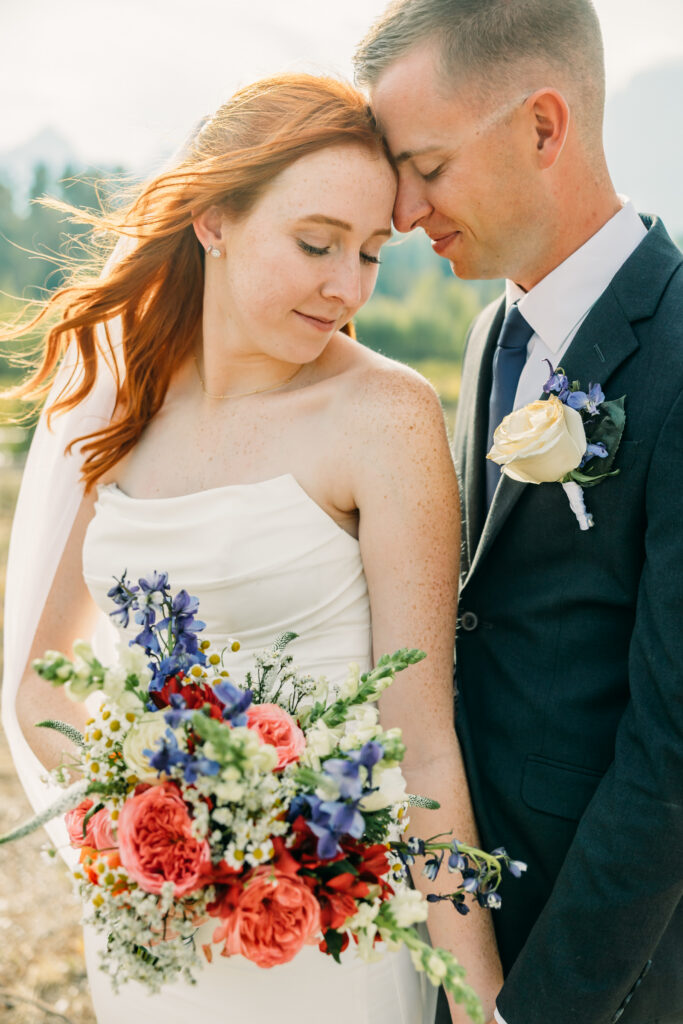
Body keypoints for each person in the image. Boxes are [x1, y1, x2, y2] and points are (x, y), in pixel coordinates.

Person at [1, 74, 503, 1023]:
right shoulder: (134, 403)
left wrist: (481, 1003)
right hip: (153, 941)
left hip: (329, 944)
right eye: (316, 244)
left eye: (369, 254)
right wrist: (141, 836)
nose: (346, 286)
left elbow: (426, 753)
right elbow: (40, 690)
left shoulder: (383, 416)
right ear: (212, 219)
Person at [354, 2, 683, 1023]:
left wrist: (537, 1007)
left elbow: (669, 750)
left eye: (428, 166)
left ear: (543, 126)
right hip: (459, 920)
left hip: (600, 960)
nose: (403, 210)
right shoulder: (491, 329)